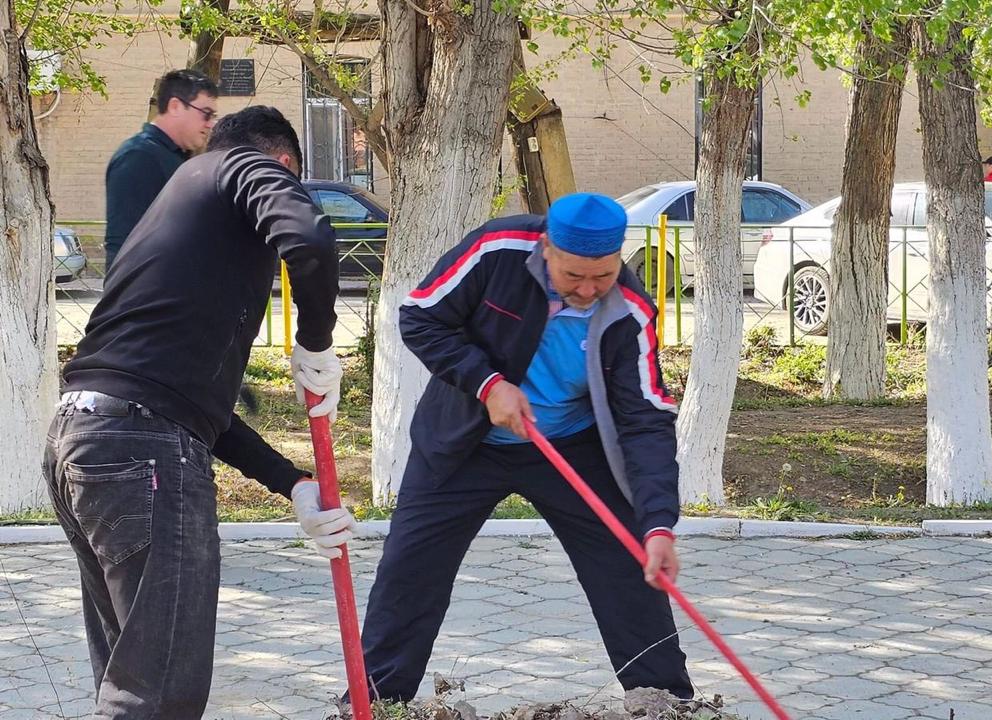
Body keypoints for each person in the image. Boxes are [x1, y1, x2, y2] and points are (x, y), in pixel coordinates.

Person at [45, 106, 357, 719]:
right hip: (138, 452)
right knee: (155, 699)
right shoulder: (241, 165)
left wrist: (291, 484)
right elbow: (311, 237)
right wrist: (318, 340)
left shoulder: (178, 213)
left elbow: (184, 402)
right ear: (285, 165)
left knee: (131, 680)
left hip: (86, 439)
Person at [357, 192, 694, 702]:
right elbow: (420, 316)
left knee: (629, 568)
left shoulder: (630, 310)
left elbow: (645, 421)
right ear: (547, 249)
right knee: (410, 569)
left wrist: (658, 523)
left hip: (571, 447)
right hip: (464, 440)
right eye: (573, 276)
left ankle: (664, 704)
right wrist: (488, 383)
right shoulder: (496, 250)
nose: (587, 290)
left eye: (601, 276)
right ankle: (374, 702)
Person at [103, 69, 219, 272]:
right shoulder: (138, 157)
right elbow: (125, 247)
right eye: (206, 114)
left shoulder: (175, 158)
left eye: (213, 116)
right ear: (175, 106)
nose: (210, 123)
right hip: (147, 299)